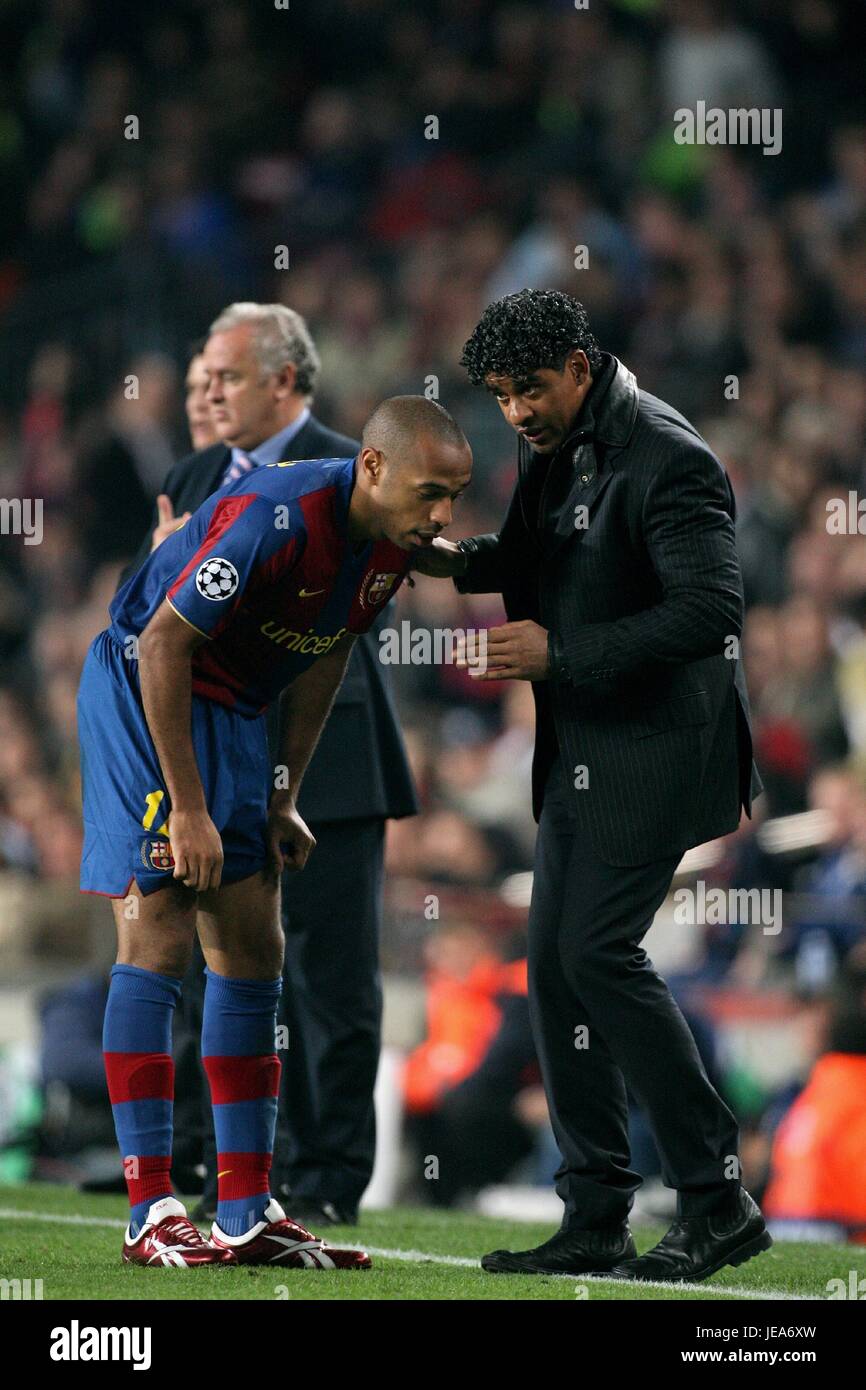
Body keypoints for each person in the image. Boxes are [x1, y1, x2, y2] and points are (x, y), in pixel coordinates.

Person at [413, 288, 769, 1283]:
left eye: (528, 389)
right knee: (555, 970)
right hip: (584, 747)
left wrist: (561, 653)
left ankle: (715, 1197)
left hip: (660, 750)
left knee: (596, 954)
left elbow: (709, 609)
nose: (515, 412)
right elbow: (537, 555)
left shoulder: (668, 455)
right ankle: (595, 1211)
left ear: (576, 364)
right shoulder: (555, 441)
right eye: (500, 396)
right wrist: (449, 561)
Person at [77, 394, 472, 1268]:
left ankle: (245, 1209)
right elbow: (162, 647)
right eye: (431, 491)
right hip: (149, 692)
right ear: (372, 467)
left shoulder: (384, 552)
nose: (443, 515)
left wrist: (284, 790)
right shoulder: (277, 514)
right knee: (162, 928)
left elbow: (327, 649)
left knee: (255, 947)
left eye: (456, 494)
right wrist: (185, 804)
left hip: (238, 708)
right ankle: (149, 1207)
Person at [124, 304, 418, 1227]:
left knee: (331, 975)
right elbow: (157, 623)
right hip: (216, 748)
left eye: (227, 375)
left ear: (286, 379)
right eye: (204, 375)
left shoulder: (366, 457)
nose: (206, 390)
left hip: (323, 753)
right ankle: (223, 1166)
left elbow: (356, 625)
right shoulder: (195, 474)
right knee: (216, 969)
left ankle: (329, 1177)